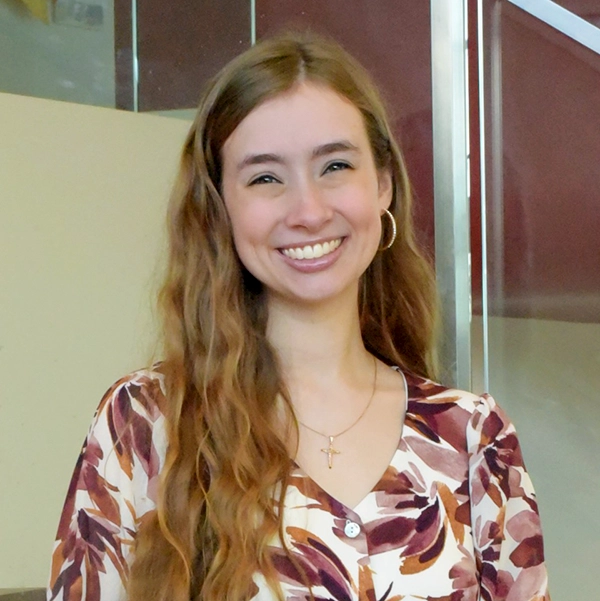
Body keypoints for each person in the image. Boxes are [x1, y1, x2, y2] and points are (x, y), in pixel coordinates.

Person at [47, 32, 550, 601]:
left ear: (382, 184)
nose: (308, 211)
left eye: (334, 166)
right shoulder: (144, 426)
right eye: (266, 177)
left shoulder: (473, 439)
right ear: (220, 207)